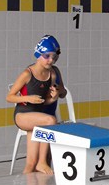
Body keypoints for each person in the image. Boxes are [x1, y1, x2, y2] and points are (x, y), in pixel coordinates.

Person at [7, 34, 67, 174]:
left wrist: (55, 96)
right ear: (38, 55)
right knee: (50, 120)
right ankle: (42, 162)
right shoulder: (28, 74)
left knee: (30, 164)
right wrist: (27, 98)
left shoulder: (53, 73)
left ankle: (32, 182)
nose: (51, 60)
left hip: (38, 118)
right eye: (47, 56)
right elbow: (9, 97)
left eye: (54, 57)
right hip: (23, 115)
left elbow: (48, 100)